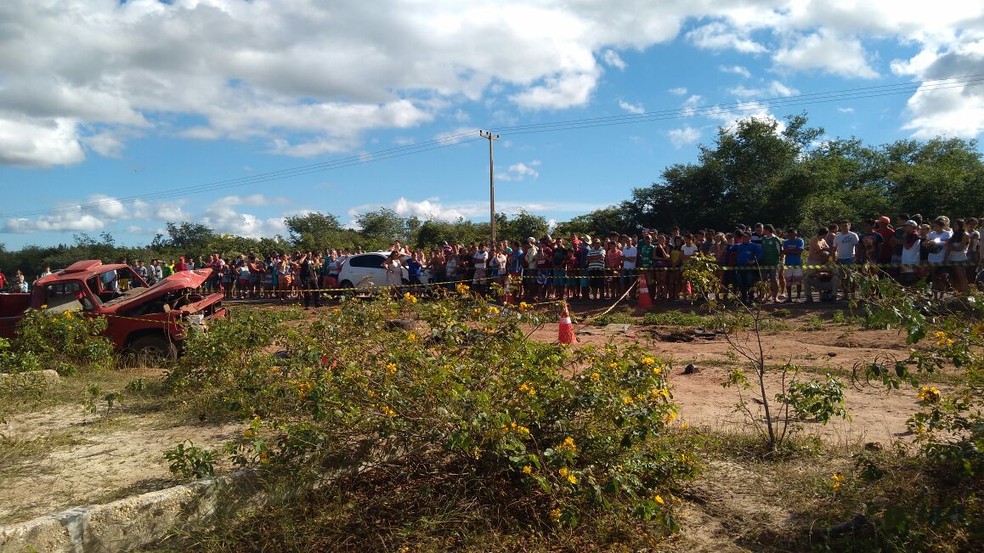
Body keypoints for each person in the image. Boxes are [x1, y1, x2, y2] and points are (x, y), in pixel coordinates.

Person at [782, 229, 804, 302]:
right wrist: (793, 251)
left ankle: (798, 297)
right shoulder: (786, 242)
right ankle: (789, 298)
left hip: (797, 263)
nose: (792, 235)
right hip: (788, 263)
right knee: (788, 281)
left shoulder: (800, 241)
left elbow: (799, 251)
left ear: (796, 234)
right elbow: (784, 251)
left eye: (793, 234)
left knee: (798, 281)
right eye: (790, 234)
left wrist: (789, 251)